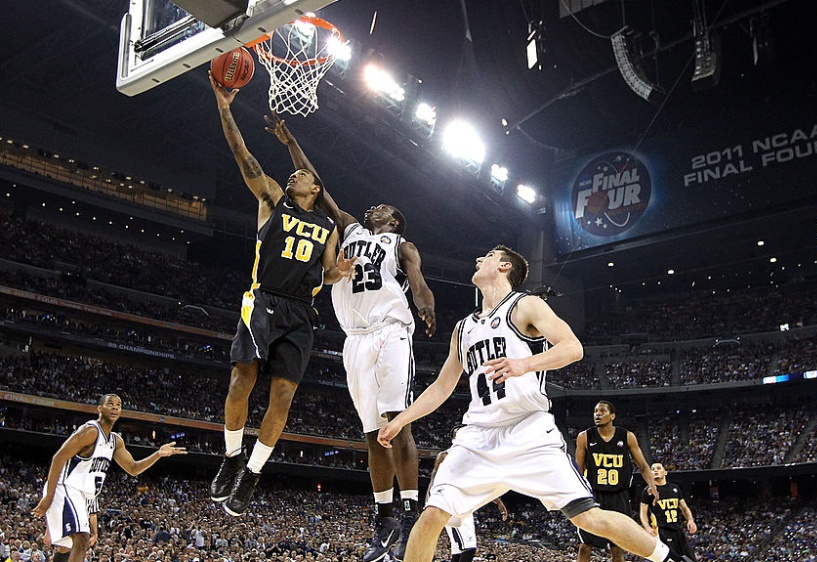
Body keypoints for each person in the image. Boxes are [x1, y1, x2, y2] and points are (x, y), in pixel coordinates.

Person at [377, 245, 674, 562]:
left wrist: (525, 365)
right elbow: (441, 386)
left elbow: (572, 348)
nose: (478, 258)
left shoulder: (525, 306)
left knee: (590, 518)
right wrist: (401, 420)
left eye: (487, 256)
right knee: (433, 514)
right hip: (477, 437)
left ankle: (667, 557)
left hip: (528, 431)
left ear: (504, 266)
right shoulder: (463, 329)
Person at [265, 113, 435, 561]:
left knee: (397, 420)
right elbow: (318, 187)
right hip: (354, 338)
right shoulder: (351, 227)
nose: (374, 207)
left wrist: (425, 304)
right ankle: (384, 517)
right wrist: (290, 142)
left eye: (383, 207)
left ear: (394, 220)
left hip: (391, 331)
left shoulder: (401, 245)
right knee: (371, 432)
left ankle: (412, 511)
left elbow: (416, 280)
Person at [207, 76, 348, 517]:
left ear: (316, 190)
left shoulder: (329, 228)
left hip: (301, 313)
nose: (295, 174)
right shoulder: (272, 200)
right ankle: (231, 458)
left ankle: (252, 472)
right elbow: (242, 155)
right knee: (240, 381)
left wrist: (336, 273)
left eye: (303, 174)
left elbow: (325, 274)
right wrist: (225, 107)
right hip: (263, 301)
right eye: (294, 172)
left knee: (283, 398)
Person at [31, 394, 186, 562]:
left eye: (118, 405)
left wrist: (158, 454)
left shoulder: (115, 441)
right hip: (65, 486)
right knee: (82, 538)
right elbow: (59, 457)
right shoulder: (90, 431)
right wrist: (49, 497)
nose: (114, 407)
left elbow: (133, 468)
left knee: (67, 546)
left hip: (82, 495)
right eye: (110, 404)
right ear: (100, 408)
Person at [575, 400, 658, 562]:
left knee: (617, 547)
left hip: (619, 496)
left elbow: (642, 465)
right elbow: (578, 470)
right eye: (595, 412)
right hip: (594, 496)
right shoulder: (584, 437)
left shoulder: (627, 437)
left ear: (612, 416)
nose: (597, 414)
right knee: (585, 546)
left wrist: (653, 486)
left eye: (602, 411)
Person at [431, 426, 509, 562]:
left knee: (459, 551)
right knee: (468, 548)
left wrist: (498, 502)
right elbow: (433, 483)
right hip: (451, 505)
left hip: (463, 506)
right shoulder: (445, 455)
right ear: (454, 438)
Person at [640, 463, 697, 562]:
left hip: (677, 529)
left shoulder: (674, 488)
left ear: (665, 472)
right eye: (652, 469)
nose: (655, 471)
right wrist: (647, 527)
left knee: (691, 558)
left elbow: (684, 507)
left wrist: (690, 520)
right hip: (661, 530)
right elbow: (643, 513)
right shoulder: (648, 491)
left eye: (658, 468)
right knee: (670, 559)